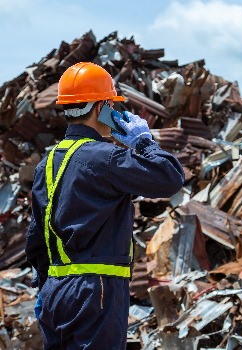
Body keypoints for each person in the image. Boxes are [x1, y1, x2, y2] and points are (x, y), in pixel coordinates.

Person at [25, 62, 184, 349]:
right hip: (95, 293)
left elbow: (37, 237)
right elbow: (170, 178)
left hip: (55, 292)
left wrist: (48, 288)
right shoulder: (106, 158)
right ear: (101, 108)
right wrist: (144, 142)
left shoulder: (48, 163)